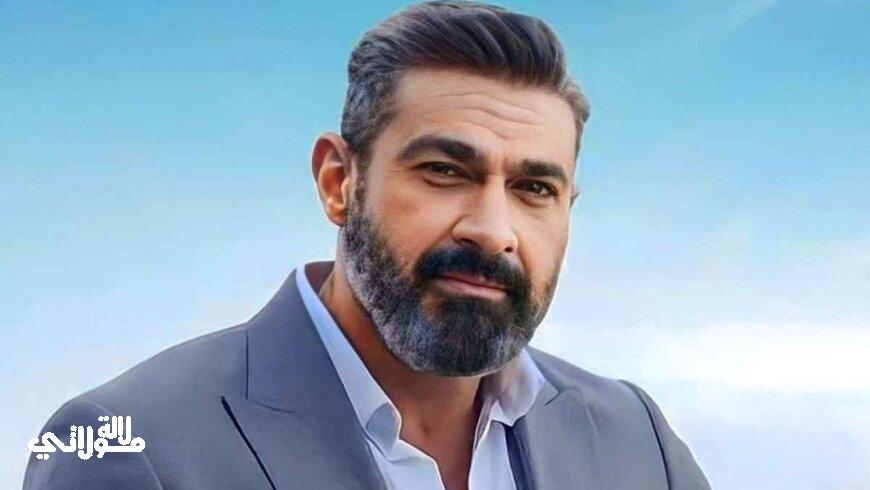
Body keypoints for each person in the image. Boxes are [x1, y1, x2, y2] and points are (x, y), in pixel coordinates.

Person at [23, 1, 710, 489]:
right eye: (444, 171)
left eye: (534, 188)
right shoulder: (126, 447)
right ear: (338, 182)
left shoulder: (637, 442)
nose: (493, 229)